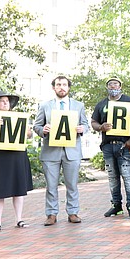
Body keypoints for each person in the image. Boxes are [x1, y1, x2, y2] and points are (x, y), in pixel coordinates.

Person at [33, 76, 89, 226]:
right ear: (53, 87)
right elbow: (36, 126)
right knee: (51, 185)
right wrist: (42, 130)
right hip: (50, 151)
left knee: (72, 184)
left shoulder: (78, 105)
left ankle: (73, 212)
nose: (61, 87)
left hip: (72, 151)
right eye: (58, 84)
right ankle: (51, 214)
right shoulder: (45, 106)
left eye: (64, 85)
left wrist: (82, 129)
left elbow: (85, 124)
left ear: (69, 87)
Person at [0, 91, 33, 232]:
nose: (5, 103)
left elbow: (29, 135)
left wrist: (27, 130)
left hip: (17, 156)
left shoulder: (17, 117)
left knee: (19, 189)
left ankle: (19, 219)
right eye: (2, 101)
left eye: (7, 101)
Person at [91, 77, 130, 219]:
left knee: (127, 176)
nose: (113, 86)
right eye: (110, 84)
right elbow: (94, 121)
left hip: (124, 145)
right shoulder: (102, 104)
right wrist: (101, 127)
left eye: (116, 84)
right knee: (113, 177)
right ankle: (116, 206)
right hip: (108, 145)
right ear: (107, 87)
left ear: (121, 86)